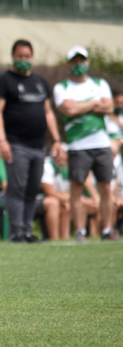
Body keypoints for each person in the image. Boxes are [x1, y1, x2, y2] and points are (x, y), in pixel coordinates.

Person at [0, 39, 61, 242]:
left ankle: (27, 231)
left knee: (32, 190)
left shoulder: (39, 82)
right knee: (17, 188)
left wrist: (56, 140)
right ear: (13, 56)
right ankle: (16, 233)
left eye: (27, 57)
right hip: (16, 144)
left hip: (38, 145)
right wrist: (1, 140)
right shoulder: (4, 81)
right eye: (20, 57)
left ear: (32, 57)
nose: (24, 60)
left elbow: (48, 113)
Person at [54, 46, 117, 241]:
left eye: (82, 61)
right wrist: (93, 103)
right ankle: (80, 231)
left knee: (106, 187)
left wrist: (80, 105)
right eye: (74, 61)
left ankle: (107, 230)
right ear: (68, 65)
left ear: (87, 62)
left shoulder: (100, 83)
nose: (78, 65)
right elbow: (68, 111)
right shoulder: (62, 88)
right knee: (76, 187)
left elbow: (108, 106)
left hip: (101, 143)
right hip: (77, 146)